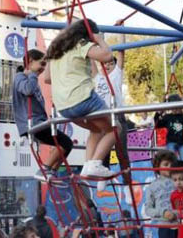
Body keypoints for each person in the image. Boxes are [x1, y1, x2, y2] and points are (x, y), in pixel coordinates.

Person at [44, 19, 116, 179]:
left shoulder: (57, 52)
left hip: (64, 107)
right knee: (115, 128)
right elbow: (107, 56)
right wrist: (99, 40)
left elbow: (47, 78)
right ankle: (96, 163)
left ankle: (88, 166)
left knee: (97, 130)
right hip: (82, 98)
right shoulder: (80, 44)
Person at [13, 49, 73, 183]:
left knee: (67, 145)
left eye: (45, 65)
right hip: (32, 124)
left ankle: (52, 172)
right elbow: (27, 90)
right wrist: (33, 74)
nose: (43, 68)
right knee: (65, 143)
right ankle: (45, 169)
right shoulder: (20, 77)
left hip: (38, 122)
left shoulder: (31, 79)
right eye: (41, 64)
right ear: (30, 62)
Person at [91, 23, 131, 188]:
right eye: (105, 64)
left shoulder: (116, 74)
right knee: (104, 151)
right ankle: (103, 179)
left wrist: (120, 30)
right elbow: (92, 58)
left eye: (110, 63)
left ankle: (127, 184)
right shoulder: (97, 77)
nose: (107, 66)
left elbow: (121, 52)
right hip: (103, 117)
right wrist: (94, 39)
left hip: (118, 116)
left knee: (121, 152)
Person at [154, 95, 183, 163]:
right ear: (171, 108)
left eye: (178, 107)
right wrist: (159, 112)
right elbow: (157, 125)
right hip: (171, 141)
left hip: (182, 142)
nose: (176, 109)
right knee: (172, 160)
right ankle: (173, 172)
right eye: (174, 108)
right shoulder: (167, 117)